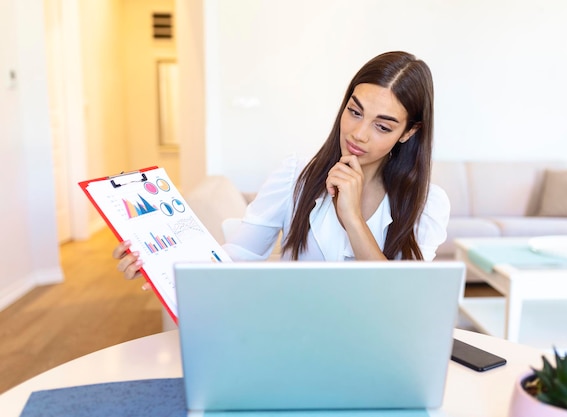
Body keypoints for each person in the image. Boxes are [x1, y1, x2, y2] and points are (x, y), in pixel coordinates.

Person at [113, 51, 450, 281]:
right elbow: (239, 255)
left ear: (409, 132)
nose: (359, 134)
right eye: (355, 111)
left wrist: (352, 218)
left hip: (376, 350)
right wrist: (160, 262)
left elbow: (400, 301)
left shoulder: (427, 205)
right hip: (293, 339)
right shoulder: (296, 176)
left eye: (383, 126)